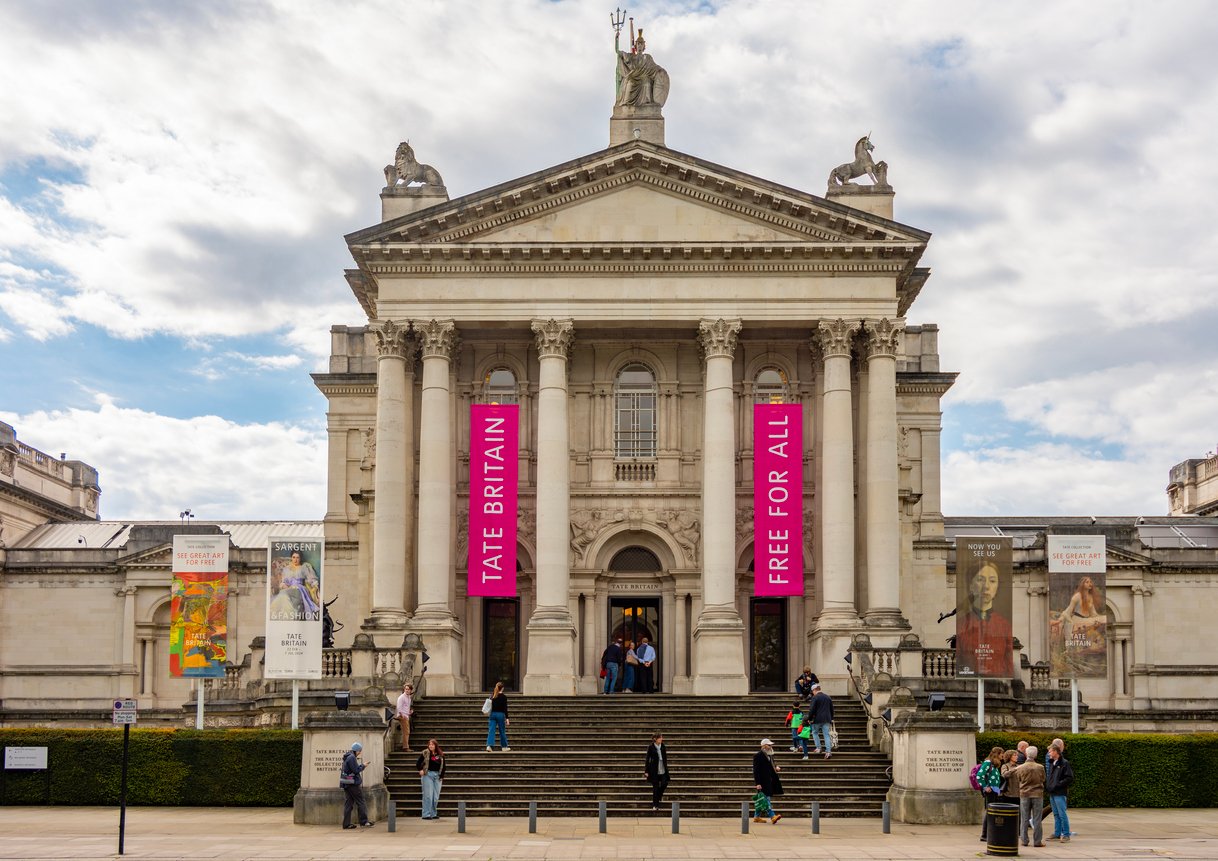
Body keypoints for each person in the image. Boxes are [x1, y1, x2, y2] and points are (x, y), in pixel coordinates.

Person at [955, 560, 1014, 677]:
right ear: (971, 586)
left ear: (997, 588)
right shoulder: (961, 624)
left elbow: (1009, 664)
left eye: (992, 581)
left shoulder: (1005, 626)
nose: (986, 586)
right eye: (980, 580)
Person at [1013, 745, 1046, 847]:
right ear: (1035, 755)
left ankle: (1024, 840)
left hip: (1024, 794)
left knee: (1024, 818)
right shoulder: (1040, 767)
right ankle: (1037, 841)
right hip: (1037, 794)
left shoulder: (1020, 767)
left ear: (1026, 754)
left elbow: (1018, 779)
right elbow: (1043, 779)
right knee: (1037, 819)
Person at [339, 741, 373, 829]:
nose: (360, 752)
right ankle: (364, 822)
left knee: (349, 804)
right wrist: (363, 765)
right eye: (359, 751)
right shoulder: (352, 758)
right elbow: (356, 770)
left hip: (346, 783)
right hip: (352, 784)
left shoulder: (347, 756)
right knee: (361, 801)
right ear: (356, 750)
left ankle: (346, 824)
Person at [1046, 742, 1075, 842]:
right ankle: (1057, 833)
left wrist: (1057, 785)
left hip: (1060, 793)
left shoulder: (1064, 763)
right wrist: (1049, 786)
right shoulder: (1051, 762)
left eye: (1050, 752)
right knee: (1056, 814)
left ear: (1055, 752)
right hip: (1052, 792)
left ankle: (1066, 834)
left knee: (1062, 814)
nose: (1049, 754)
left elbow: (1069, 778)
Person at [976, 746, 1005, 842]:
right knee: (990, 812)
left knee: (992, 812)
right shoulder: (988, 763)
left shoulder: (994, 764)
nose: (1003, 756)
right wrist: (985, 787)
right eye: (1001, 754)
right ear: (997, 754)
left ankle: (989, 833)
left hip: (995, 790)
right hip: (990, 791)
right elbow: (979, 776)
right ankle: (984, 835)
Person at [751, 738, 783, 824]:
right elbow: (756, 770)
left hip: (769, 780)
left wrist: (776, 767)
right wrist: (757, 783)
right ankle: (772, 816)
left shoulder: (770, 755)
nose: (771, 746)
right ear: (764, 746)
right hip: (762, 781)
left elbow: (770, 766)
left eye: (771, 745)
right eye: (769, 745)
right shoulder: (758, 756)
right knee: (766, 799)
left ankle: (756, 817)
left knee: (762, 799)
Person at [416, 738, 446, 820]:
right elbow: (418, 763)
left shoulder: (440, 754)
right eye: (429, 744)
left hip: (437, 776)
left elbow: (444, 766)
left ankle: (433, 813)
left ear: (436, 745)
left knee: (435, 796)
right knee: (428, 795)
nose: (431, 746)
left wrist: (442, 776)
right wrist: (420, 770)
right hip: (428, 775)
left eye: (432, 744)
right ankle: (426, 814)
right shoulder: (425, 753)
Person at [643, 731, 670, 810]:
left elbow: (665, 758)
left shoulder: (663, 746)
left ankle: (659, 796)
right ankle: (655, 805)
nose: (662, 739)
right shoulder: (651, 747)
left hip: (663, 769)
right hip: (654, 770)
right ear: (655, 739)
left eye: (661, 737)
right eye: (660, 737)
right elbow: (647, 759)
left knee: (664, 783)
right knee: (655, 788)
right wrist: (646, 771)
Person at [807, 684, 835, 759]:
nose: (812, 692)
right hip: (827, 719)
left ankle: (818, 748)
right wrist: (831, 718)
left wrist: (809, 718)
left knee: (815, 733)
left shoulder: (815, 698)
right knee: (826, 735)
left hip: (817, 719)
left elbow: (812, 709)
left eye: (812, 691)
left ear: (814, 690)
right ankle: (828, 751)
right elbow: (831, 709)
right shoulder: (828, 697)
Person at [485, 681, 510, 751]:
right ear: (502, 688)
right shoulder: (504, 697)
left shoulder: (492, 695)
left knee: (491, 730)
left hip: (492, 714)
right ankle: (504, 747)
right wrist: (507, 718)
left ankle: (489, 746)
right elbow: (505, 708)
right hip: (500, 715)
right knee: (502, 731)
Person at [395, 682, 414, 752]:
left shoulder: (409, 697)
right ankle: (405, 747)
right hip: (402, 716)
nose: (407, 690)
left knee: (407, 731)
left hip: (406, 715)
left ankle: (405, 746)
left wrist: (410, 712)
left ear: (411, 690)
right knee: (406, 732)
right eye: (406, 689)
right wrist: (402, 715)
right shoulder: (402, 697)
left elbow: (406, 707)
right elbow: (399, 707)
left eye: (408, 689)